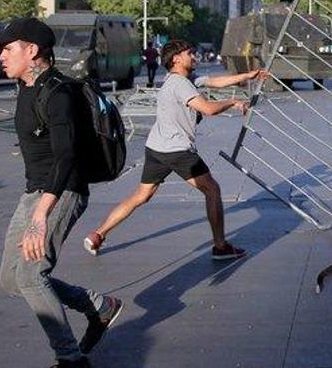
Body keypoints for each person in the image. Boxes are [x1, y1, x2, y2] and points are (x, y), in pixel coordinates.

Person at [0, 18, 123, 368]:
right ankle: (98, 305)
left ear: (31, 51)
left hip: (62, 193)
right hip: (33, 194)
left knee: (31, 276)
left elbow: (67, 157)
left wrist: (41, 215)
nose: (1, 55)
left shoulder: (60, 94)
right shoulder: (26, 87)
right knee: (10, 279)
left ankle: (70, 358)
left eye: (8, 48)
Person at [84, 39, 269, 260]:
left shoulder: (182, 80)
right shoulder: (181, 85)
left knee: (141, 195)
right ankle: (220, 247)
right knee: (212, 190)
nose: (194, 56)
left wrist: (248, 76)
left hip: (156, 147)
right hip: (176, 150)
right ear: (176, 58)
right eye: (189, 52)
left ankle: (98, 234)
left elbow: (215, 82)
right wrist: (233, 102)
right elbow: (208, 109)